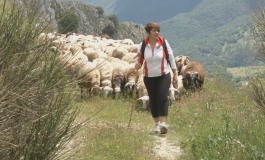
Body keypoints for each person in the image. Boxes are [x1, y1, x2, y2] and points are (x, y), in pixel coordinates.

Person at [135, 22, 178, 134]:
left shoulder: (163, 42)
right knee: (153, 100)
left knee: (162, 97)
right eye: (154, 30)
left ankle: (163, 123)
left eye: (158, 30)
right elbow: (139, 63)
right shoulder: (143, 45)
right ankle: (157, 124)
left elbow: (171, 57)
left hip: (164, 75)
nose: (157, 32)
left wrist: (175, 73)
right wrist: (137, 65)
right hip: (149, 77)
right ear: (149, 32)